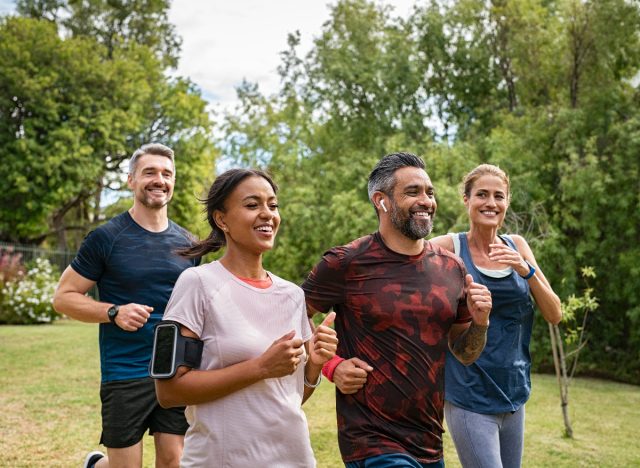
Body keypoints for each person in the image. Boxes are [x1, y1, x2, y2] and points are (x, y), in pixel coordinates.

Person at [301, 152, 493, 467]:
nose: (426, 200)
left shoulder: (452, 268)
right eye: (413, 192)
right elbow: (291, 314)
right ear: (382, 201)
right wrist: (331, 366)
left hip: (429, 441)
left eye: (430, 192)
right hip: (370, 439)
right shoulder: (346, 262)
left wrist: (481, 322)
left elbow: (465, 352)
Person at [154, 168, 338, 467]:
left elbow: (286, 398)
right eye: (252, 205)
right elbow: (169, 392)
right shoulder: (196, 283)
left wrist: (314, 366)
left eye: (273, 205)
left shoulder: (292, 295)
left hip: (293, 458)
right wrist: (261, 367)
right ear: (221, 219)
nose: (267, 214)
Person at [53, 143, 199, 468]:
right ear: (131, 180)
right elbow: (63, 297)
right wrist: (113, 312)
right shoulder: (106, 238)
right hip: (125, 370)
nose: (159, 180)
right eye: (150, 172)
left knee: (174, 461)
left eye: (166, 174)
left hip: (175, 369)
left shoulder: (189, 245)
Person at [429, 164, 562, 468]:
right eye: (482, 194)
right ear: (466, 199)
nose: (491, 203)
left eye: (498, 196)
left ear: (507, 203)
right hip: (469, 396)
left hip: (514, 394)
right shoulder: (448, 248)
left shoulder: (518, 246)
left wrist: (525, 270)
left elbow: (554, 313)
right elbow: (401, 262)